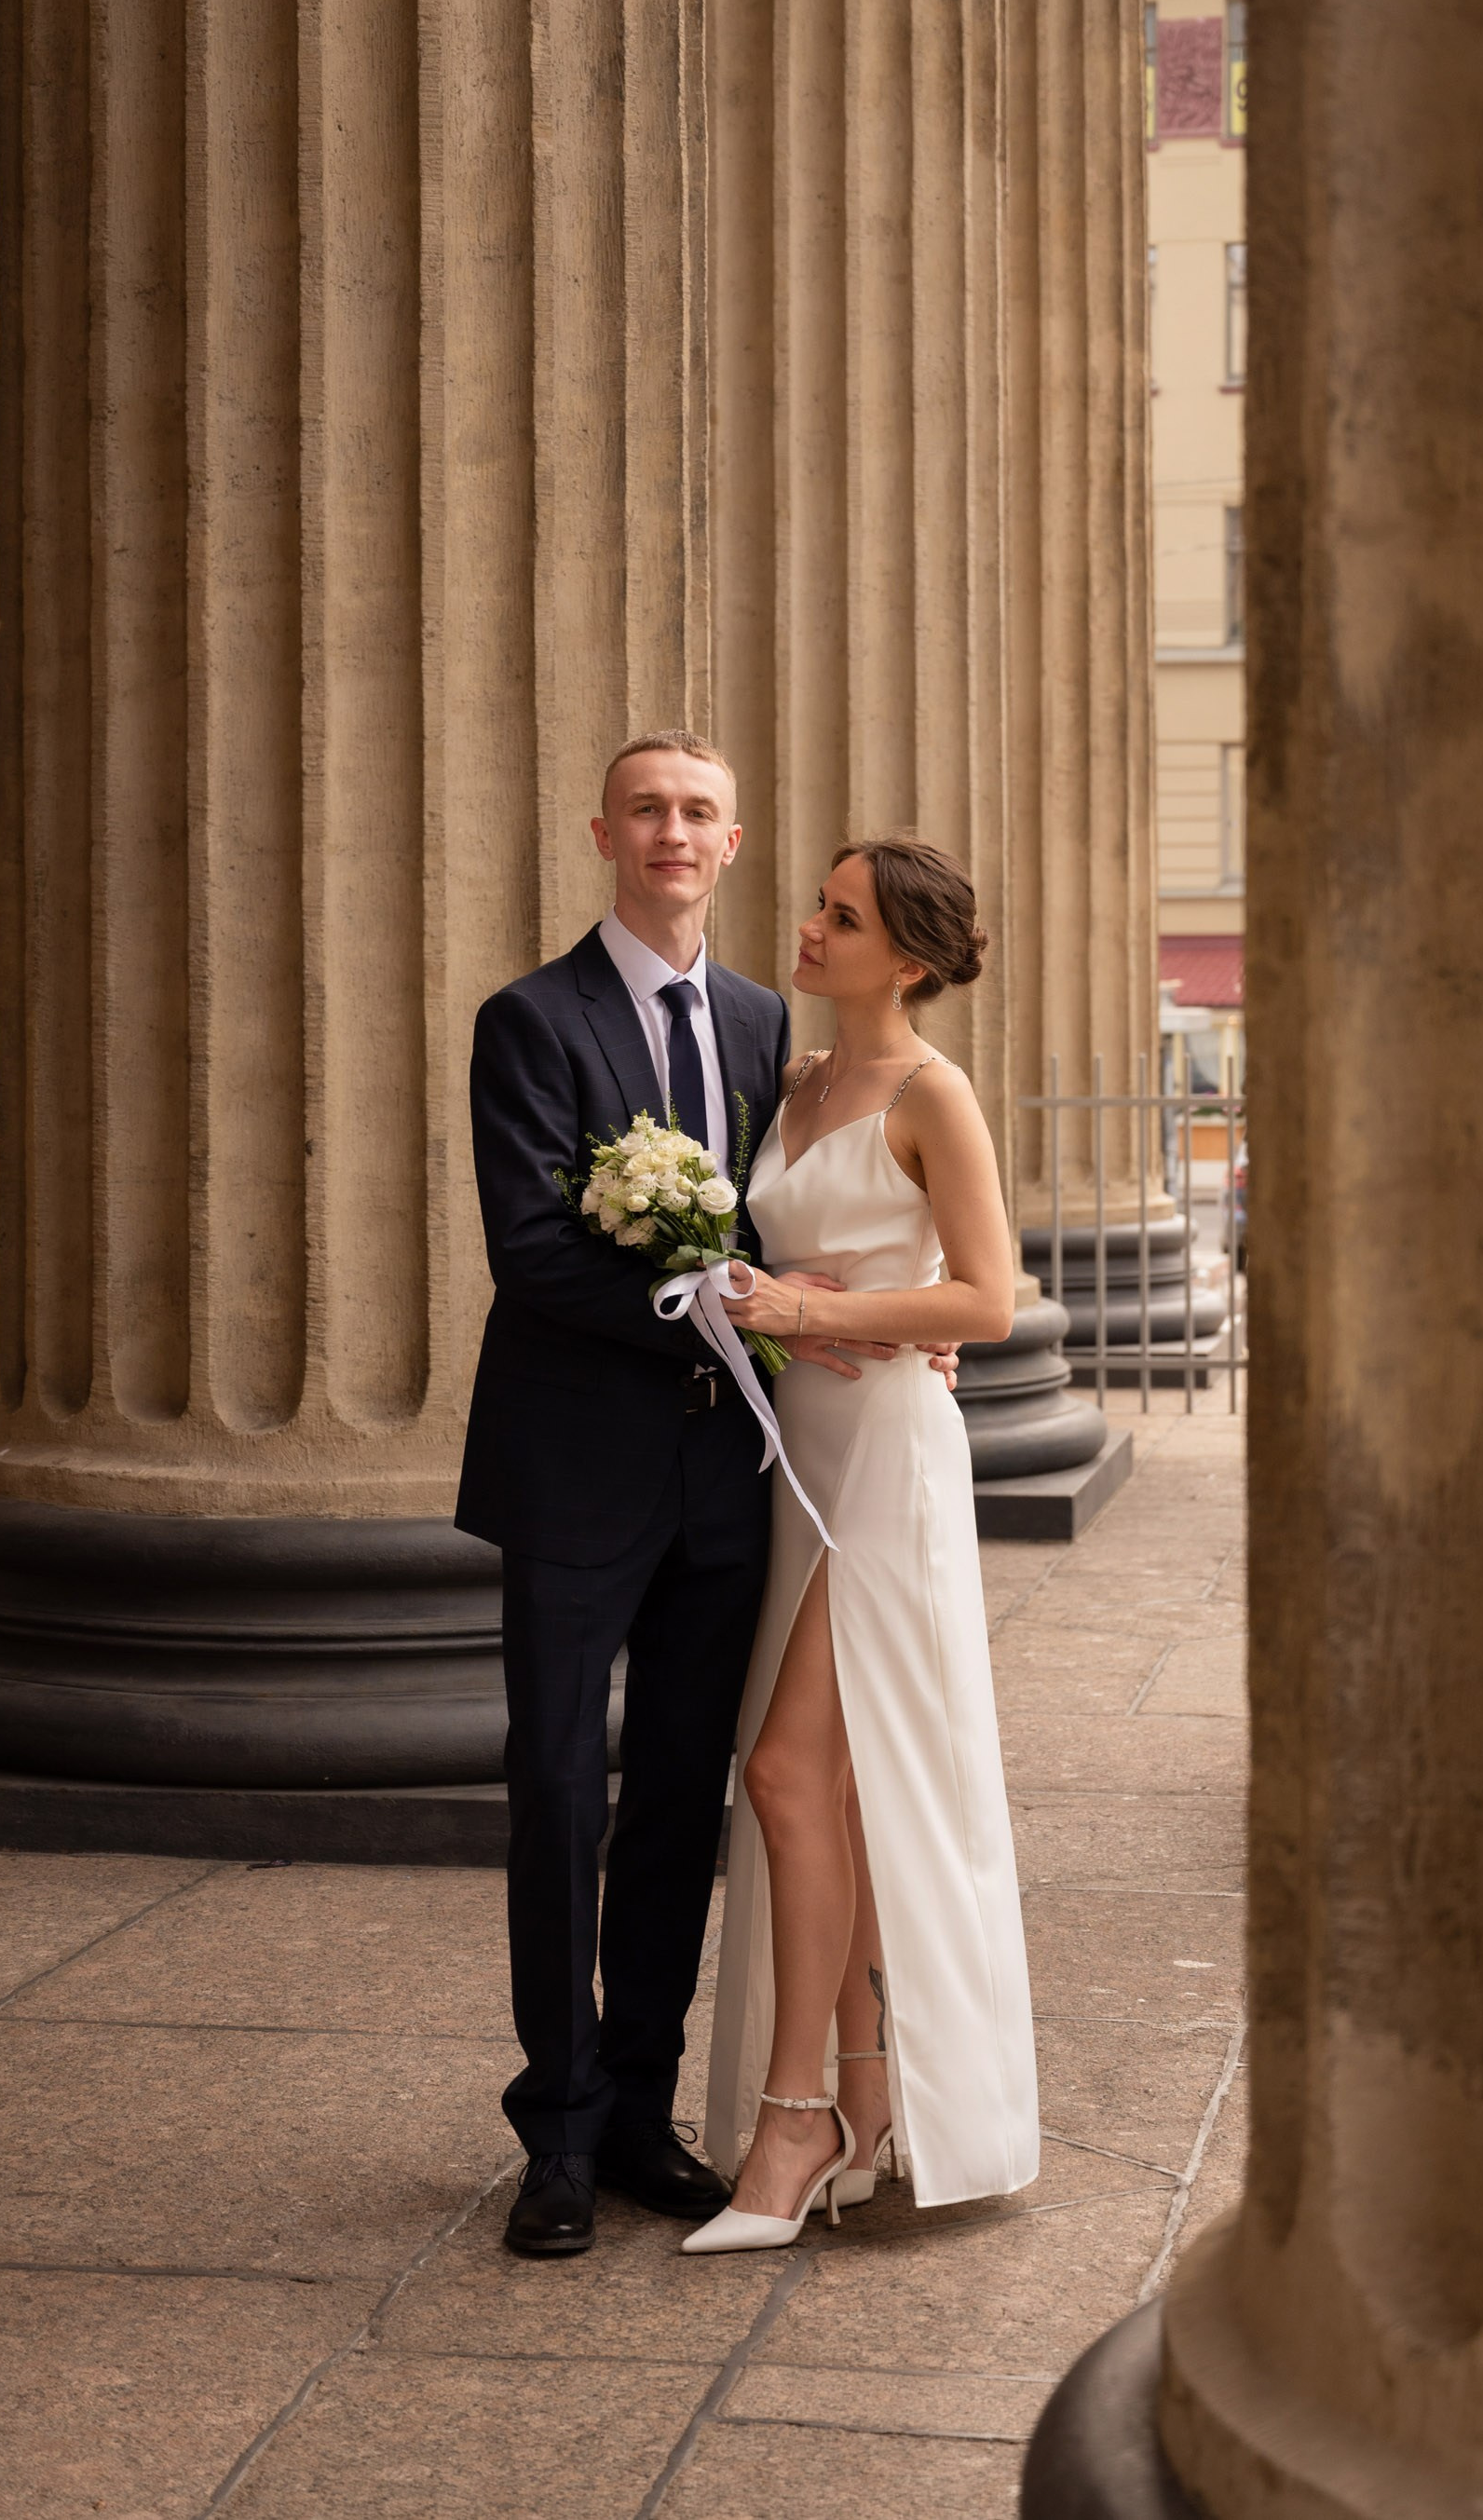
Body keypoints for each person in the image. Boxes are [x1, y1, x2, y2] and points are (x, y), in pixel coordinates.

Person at [456, 736, 957, 2258]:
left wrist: (898, 1314)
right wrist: (736, 1299)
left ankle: (637, 2111)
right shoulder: (528, 1019)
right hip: (569, 1469)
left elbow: (838, 1200)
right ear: (606, 830)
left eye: (700, 813)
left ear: (731, 843)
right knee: (555, 1787)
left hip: (731, 1480)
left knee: (682, 1797)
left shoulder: (760, 1027)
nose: (673, 832)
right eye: (649, 809)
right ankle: (552, 2124)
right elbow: (537, 1255)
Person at [686, 837, 1041, 2251]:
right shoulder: (791, 1081)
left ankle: (798, 2121)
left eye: (842, 918)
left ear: (907, 960)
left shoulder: (932, 1095)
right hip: (800, 1460)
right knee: (823, 1791)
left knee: (781, 1770)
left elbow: (989, 1302)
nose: (811, 930)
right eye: (818, 906)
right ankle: (873, 2090)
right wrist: (756, 1291)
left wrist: (815, 1317)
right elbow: (763, 1261)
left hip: (889, 1454)